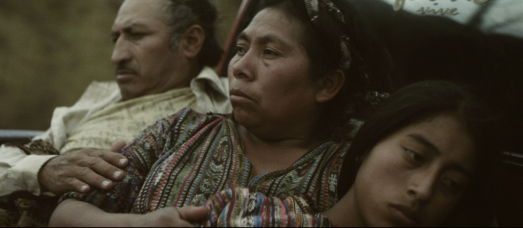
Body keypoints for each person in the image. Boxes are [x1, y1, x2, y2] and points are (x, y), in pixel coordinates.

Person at [48, 0, 385, 226]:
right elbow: (66, 213)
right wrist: (135, 224)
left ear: (326, 84)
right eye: (240, 49)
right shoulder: (180, 130)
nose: (239, 67)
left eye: (269, 52)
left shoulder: (346, 174)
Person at [0, 0, 229, 226]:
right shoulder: (95, 103)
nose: (116, 56)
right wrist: (45, 170)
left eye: (135, 35)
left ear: (190, 41)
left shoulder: (229, 104)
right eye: (116, 38)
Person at [199, 80, 502, 227]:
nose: (423, 190)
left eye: (451, 183)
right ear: (366, 146)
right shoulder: (248, 214)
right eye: (415, 156)